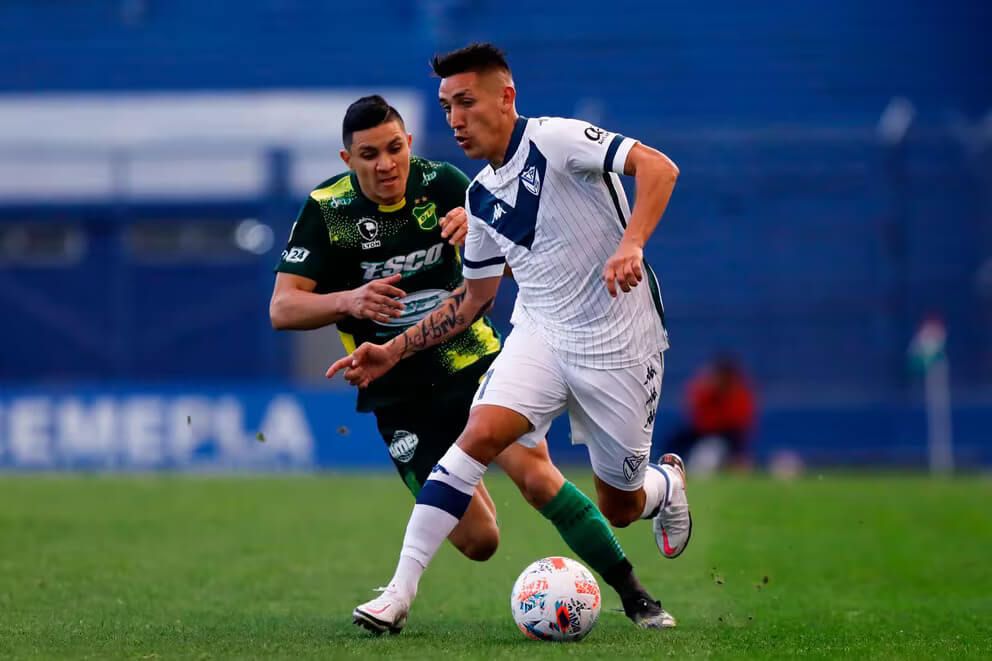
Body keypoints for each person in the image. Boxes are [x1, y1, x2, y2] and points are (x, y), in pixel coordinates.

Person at [270, 94, 672, 631]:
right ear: (348, 161)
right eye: (369, 155)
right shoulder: (328, 211)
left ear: (409, 143)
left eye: (394, 149)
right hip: (395, 385)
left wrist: (481, 236)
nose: (386, 164)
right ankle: (448, 506)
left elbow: (520, 268)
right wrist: (348, 300)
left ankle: (634, 594)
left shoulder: (446, 186)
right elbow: (283, 307)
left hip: (468, 356)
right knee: (481, 542)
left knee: (535, 478)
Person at [662, 355, 757, 472]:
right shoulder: (705, 390)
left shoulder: (739, 393)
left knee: (713, 450)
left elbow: (738, 424)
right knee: (676, 439)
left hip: (727, 436)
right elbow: (695, 415)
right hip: (703, 432)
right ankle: (669, 467)